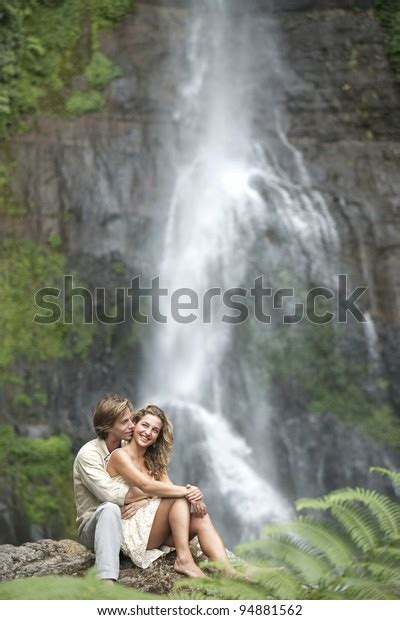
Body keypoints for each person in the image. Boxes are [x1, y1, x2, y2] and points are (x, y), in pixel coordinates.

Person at [73, 394, 209, 581]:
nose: (132, 425)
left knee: (198, 517)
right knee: (110, 509)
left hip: (128, 524)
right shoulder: (88, 455)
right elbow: (111, 496)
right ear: (108, 426)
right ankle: (106, 580)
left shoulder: (129, 445)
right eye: (125, 422)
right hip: (96, 526)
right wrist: (187, 492)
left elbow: (153, 485)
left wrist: (146, 499)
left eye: (131, 419)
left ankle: (228, 568)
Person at [106, 403, 232, 579]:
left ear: (158, 436)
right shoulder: (119, 456)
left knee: (200, 517)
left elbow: (169, 489)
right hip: (133, 530)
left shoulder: (155, 461)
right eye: (145, 425)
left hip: (155, 528)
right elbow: (147, 486)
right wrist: (190, 492)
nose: (148, 432)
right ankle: (184, 560)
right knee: (179, 498)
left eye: (155, 430)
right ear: (134, 424)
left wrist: (190, 493)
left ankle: (229, 572)